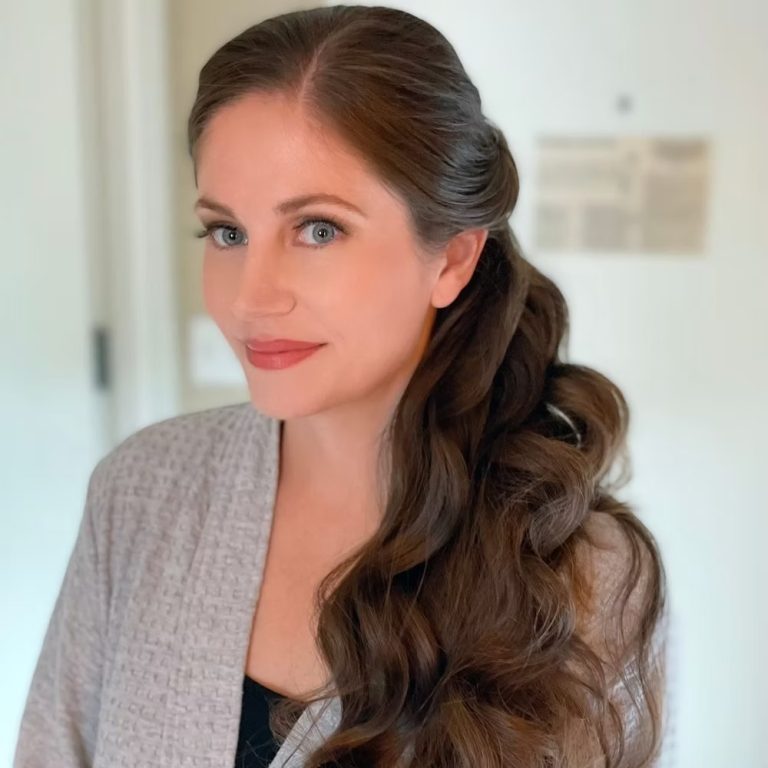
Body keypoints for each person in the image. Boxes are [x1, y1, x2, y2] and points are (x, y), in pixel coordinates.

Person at [14, 5, 670, 767]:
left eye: (318, 229)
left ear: (452, 259)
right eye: (227, 232)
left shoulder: (582, 570)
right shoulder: (142, 494)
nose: (251, 297)